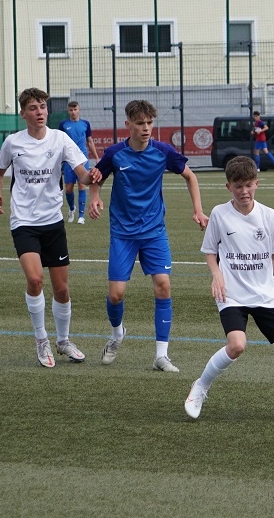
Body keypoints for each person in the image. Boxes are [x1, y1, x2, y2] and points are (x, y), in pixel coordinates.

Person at [184, 156, 274, 422]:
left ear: (257, 183)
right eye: (238, 186)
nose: (244, 191)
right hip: (231, 294)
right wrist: (217, 276)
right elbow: (210, 252)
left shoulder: (269, 215)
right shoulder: (220, 214)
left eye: (248, 185)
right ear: (228, 187)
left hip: (265, 294)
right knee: (237, 345)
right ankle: (200, 387)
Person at [87, 99, 208, 372]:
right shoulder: (115, 154)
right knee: (116, 295)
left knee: (163, 285)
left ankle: (161, 355)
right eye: (140, 123)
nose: (146, 128)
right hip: (123, 233)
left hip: (154, 230)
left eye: (150, 123)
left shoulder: (163, 152)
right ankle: (117, 334)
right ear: (128, 124)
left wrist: (198, 210)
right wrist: (95, 197)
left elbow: (190, 177)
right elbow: (97, 176)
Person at [0, 87, 101, 367]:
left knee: (61, 289)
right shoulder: (13, 143)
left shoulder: (60, 139)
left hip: (53, 222)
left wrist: (93, 175)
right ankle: (41, 339)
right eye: (33, 108)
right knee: (35, 279)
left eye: (42, 107)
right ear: (23, 113)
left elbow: (82, 175)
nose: (39, 112)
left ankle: (63, 341)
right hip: (24, 222)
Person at [58, 100, 99, 225]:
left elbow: (90, 141)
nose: (73, 112)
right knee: (69, 188)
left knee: (82, 185)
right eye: (71, 110)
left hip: (82, 159)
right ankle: (72, 209)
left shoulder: (85, 124)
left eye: (75, 109)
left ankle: (81, 216)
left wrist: (96, 157)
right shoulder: (63, 124)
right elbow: (59, 142)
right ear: (68, 111)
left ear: (79, 110)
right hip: (69, 160)